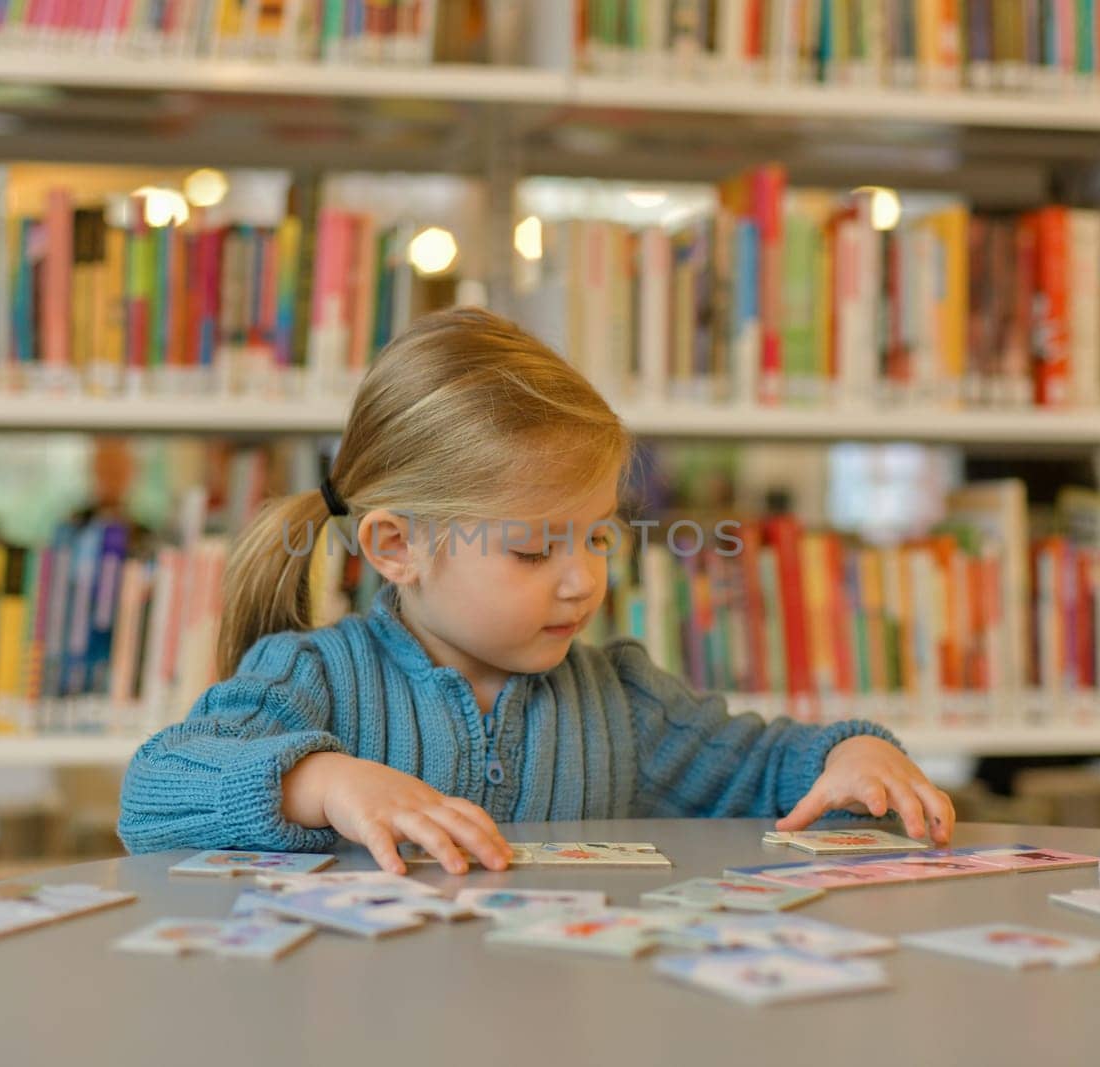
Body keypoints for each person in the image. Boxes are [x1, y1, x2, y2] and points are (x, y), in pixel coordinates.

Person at [117, 307, 955, 874]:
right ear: (397, 546)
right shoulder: (313, 678)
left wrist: (853, 755)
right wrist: (327, 783)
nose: (584, 577)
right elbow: (153, 793)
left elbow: (767, 768)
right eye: (530, 550)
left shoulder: (620, 703)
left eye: (596, 534)